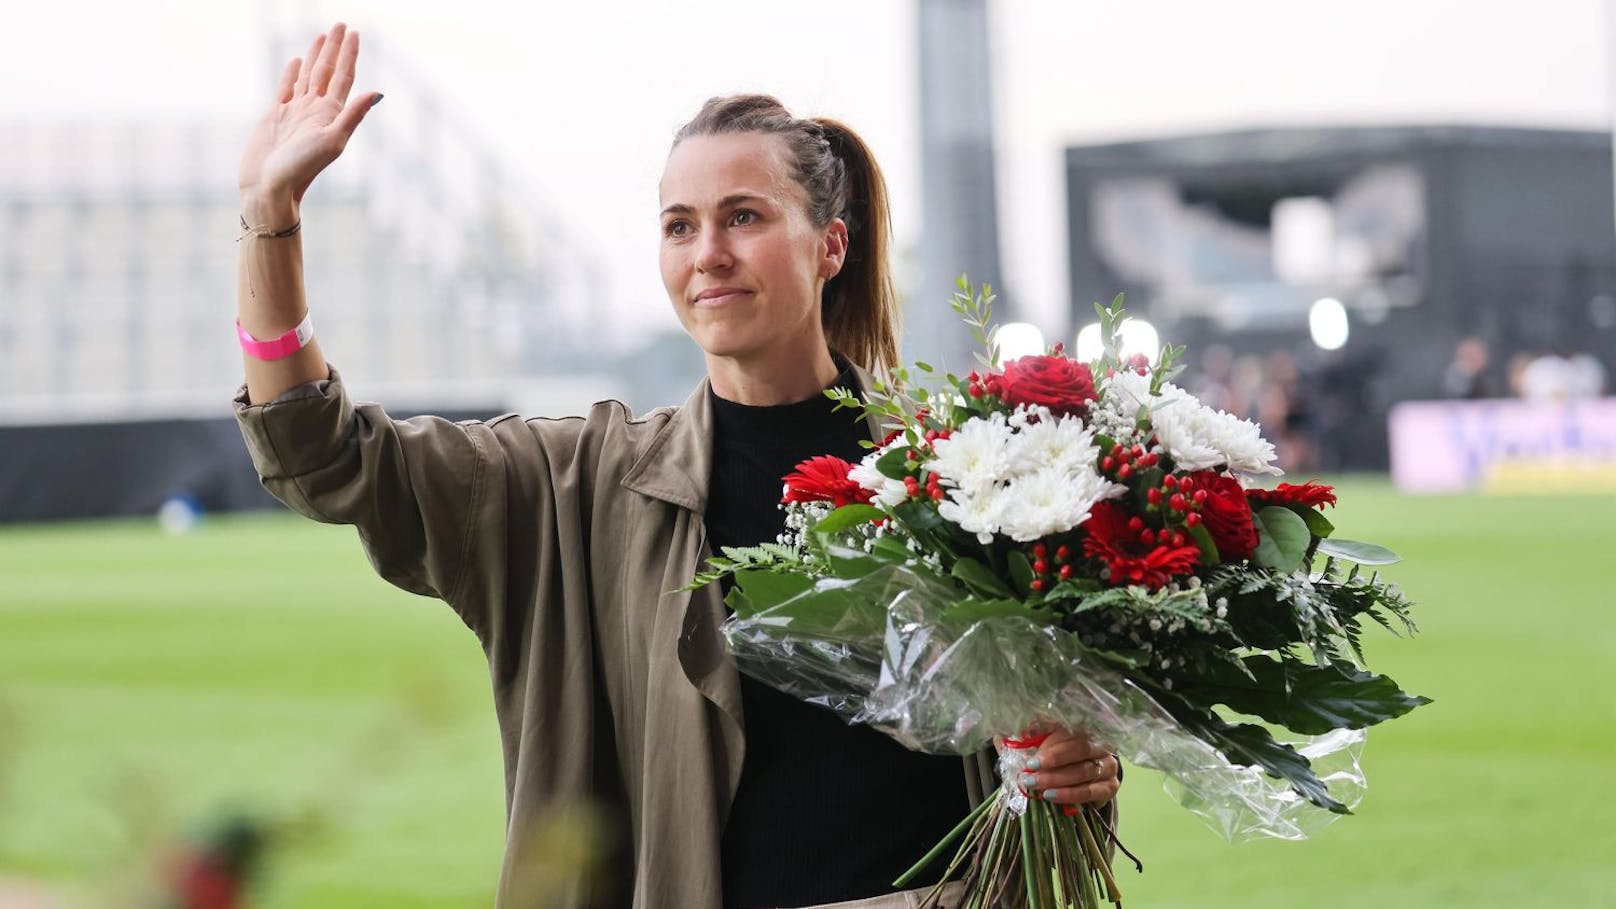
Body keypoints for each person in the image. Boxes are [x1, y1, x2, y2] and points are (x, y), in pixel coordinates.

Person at [232, 23, 1120, 909]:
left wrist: (1079, 758)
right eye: (679, 225)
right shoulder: (572, 488)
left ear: (831, 247)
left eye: (744, 216)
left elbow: (1047, 731)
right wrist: (271, 219)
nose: (708, 254)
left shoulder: (966, 475)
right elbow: (325, 454)